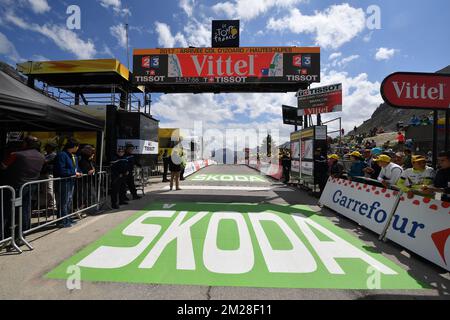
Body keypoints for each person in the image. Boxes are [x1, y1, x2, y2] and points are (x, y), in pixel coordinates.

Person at [0, 136, 45, 236]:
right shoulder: (41, 156)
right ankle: (22, 233)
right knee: (25, 209)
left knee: (6, 210)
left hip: (14, 186)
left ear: (26, 144)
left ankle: (4, 235)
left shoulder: (16, 154)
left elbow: (3, 166)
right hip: (30, 186)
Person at [53, 138, 82, 228]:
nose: (78, 149)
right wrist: (74, 173)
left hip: (70, 181)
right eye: (77, 147)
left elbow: (75, 167)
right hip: (63, 182)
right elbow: (60, 170)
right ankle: (62, 221)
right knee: (63, 202)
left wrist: (79, 172)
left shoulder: (71, 155)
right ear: (74, 147)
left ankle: (67, 218)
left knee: (68, 201)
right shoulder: (62, 155)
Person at [41, 142, 58, 211]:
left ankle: (52, 205)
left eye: (47, 146)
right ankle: (49, 204)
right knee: (45, 190)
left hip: (49, 174)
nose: (45, 147)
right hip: (44, 173)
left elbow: (44, 161)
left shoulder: (53, 155)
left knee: (49, 189)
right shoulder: (46, 154)